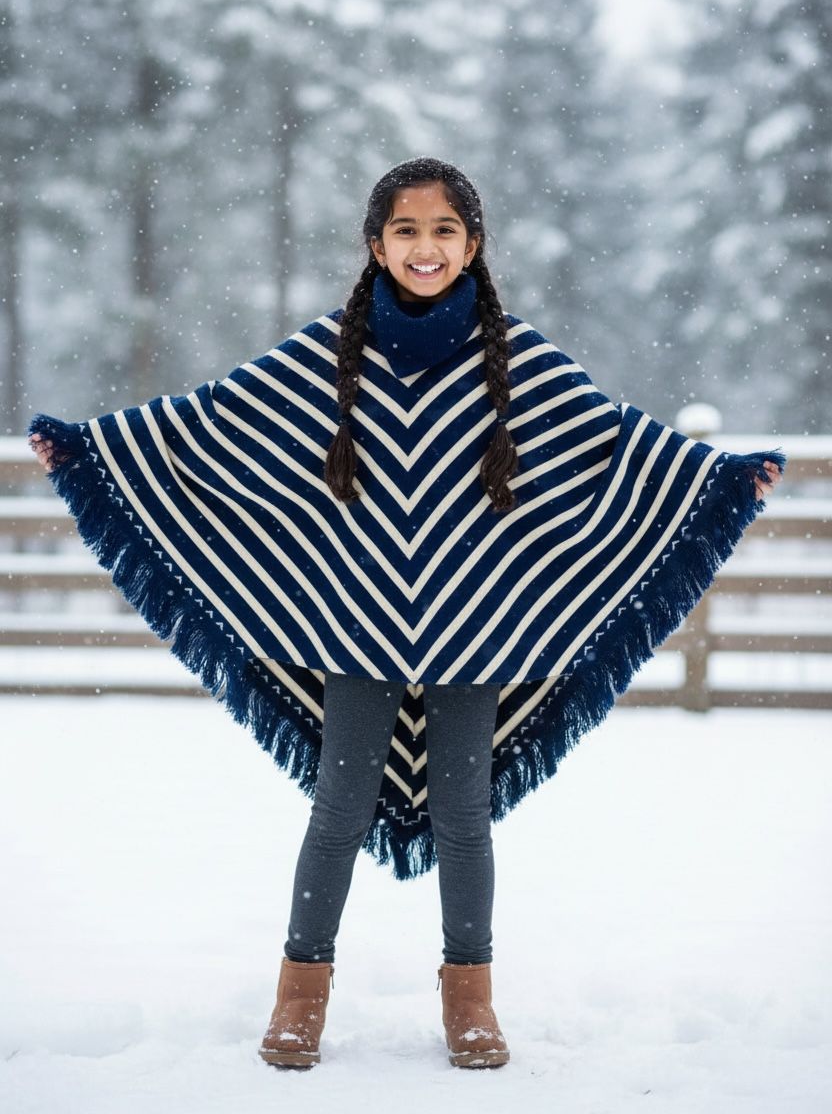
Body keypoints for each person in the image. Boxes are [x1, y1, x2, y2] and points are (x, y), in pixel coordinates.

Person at [29, 157, 783, 1072]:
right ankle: (300, 996)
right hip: (353, 626)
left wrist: (717, 481)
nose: (426, 247)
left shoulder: (519, 360)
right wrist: (92, 451)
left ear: (474, 245)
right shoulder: (324, 356)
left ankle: (471, 1000)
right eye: (406, 230)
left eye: (444, 231)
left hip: (476, 628)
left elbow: (611, 443)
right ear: (376, 245)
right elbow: (215, 427)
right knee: (339, 809)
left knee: (465, 818)